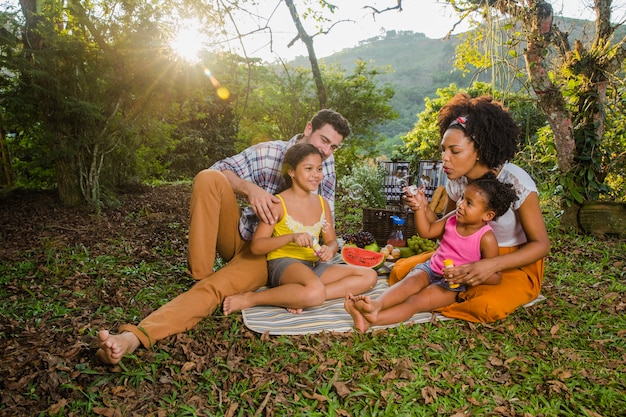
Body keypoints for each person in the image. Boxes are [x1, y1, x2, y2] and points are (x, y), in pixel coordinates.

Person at [96, 109, 351, 365]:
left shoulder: (324, 170)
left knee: (214, 290)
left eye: (334, 147)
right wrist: (250, 189)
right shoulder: (268, 152)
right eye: (324, 140)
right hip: (240, 235)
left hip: (270, 258)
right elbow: (220, 169)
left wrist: (308, 270)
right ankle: (201, 274)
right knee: (209, 178)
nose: (327, 151)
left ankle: (132, 338)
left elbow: (323, 224)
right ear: (308, 129)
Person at [387, 93, 550, 324]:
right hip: (461, 256)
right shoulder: (456, 181)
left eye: (454, 151)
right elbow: (447, 228)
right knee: (400, 272)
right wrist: (422, 207)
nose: (444, 158)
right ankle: (444, 291)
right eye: (443, 149)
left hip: (508, 264)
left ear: (480, 151)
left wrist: (490, 264)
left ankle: (446, 294)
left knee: (485, 305)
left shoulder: (515, 180)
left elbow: (541, 245)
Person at [345, 172, 518, 332]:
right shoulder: (452, 218)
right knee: (409, 282)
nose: (460, 205)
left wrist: (466, 272)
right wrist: (420, 208)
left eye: (469, 203)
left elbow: (495, 276)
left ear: (487, 216)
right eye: (462, 198)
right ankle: (375, 305)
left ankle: (372, 320)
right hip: (431, 268)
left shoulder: (486, 238)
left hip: (452, 285)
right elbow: (427, 232)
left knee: (415, 302)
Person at [223, 144, 377, 315]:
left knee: (369, 276)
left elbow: (332, 241)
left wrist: (329, 249)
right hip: (284, 264)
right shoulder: (277, 204)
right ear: (291, 172)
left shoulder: (321, 203)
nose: (316, 175)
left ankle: (302, 295)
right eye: (309, 168)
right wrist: (291, 237)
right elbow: (257, 246)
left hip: (313, 265)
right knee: (315, 291)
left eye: (319, 169)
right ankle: (252, 298)